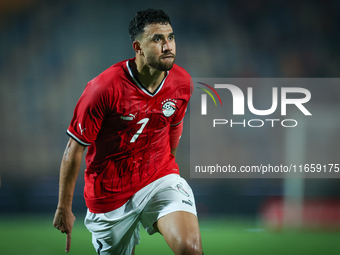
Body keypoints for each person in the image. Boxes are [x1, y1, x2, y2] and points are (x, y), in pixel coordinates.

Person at [53, 8, 203, 255]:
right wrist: (64, 207)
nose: (167, 46)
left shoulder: (181, 82)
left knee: (191, 249)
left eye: (171, 37)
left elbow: (174, 126)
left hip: (159, 178)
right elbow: (75, 148)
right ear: (138, 47)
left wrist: (168, 164)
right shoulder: (103, 88)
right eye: (157, 39)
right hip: (109, 193)